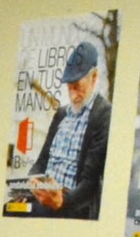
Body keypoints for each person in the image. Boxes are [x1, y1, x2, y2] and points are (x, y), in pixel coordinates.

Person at [26, 38, 113, 219]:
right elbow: (41, 162)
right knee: (9, 209)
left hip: (71, 206)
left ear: (94, 78)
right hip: (44, 199)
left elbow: (90, 182)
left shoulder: (104, 115)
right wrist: (32, 181)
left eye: (78, 87)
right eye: (69, 88)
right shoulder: (61, 114)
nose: (73, 96)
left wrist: (62, 201)